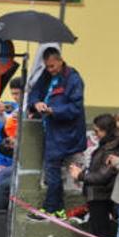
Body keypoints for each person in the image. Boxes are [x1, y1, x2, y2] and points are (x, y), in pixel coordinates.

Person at [28, 47, 87, 217]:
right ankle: (57, 209)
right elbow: (34, 93)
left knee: (52, 172)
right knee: (52, 172)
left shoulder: (73, 79)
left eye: (52, 66)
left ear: (60, 61)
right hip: (52, 131)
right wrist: (36, 103)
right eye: (47, 67)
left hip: (65, 134)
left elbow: (75, 108)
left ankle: (50, 208)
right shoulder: (47, 76)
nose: (50, 70)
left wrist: (54, 111)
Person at [68, 114, 119, 237]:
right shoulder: (106, 146)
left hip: (101, 196)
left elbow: (103, 176)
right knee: (98, 233)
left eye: (97, 131)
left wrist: (81, 175)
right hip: (96, 195)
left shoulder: (111, 149)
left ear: (106, 130)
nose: (95, 134)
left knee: (102, 235)